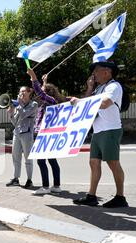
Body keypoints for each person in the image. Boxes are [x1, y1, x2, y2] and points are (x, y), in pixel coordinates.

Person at [72, 61, 128, 208]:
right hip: (98, 130)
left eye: (96, 71)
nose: (93, 74)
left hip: (110, 129)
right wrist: (90, 87)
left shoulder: (114, 86)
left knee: (113, 162)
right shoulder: (100, 88)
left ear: (107, 72)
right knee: (93, 163)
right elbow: (87, 102)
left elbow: (105, 103)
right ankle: (91, 196)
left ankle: (120, 197)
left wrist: (80, 101)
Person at [27, 68, 68, 195]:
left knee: (41, 160)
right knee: (51, 160)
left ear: (47, 93)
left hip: (44, 134)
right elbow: (43, 92)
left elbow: (41, 93)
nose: (38, 95)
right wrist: (45, 81)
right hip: (47, 133)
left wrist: (34, 77)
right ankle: (56, 186)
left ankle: (45, 187)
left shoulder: (49, 101)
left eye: (43, 91)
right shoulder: (51, 102)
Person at [6, 87, 38, 188]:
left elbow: (24, 114)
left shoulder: (33, 105)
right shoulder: (19, 106)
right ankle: (16, 178)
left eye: (23, 91)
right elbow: (15, 122)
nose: (21, 93)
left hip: (27, 134)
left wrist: (19, 105)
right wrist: (11, 114)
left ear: (29, 92)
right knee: (15, 157)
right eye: (20, 91)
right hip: (17, 133)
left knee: (28, 158)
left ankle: (29, 180)